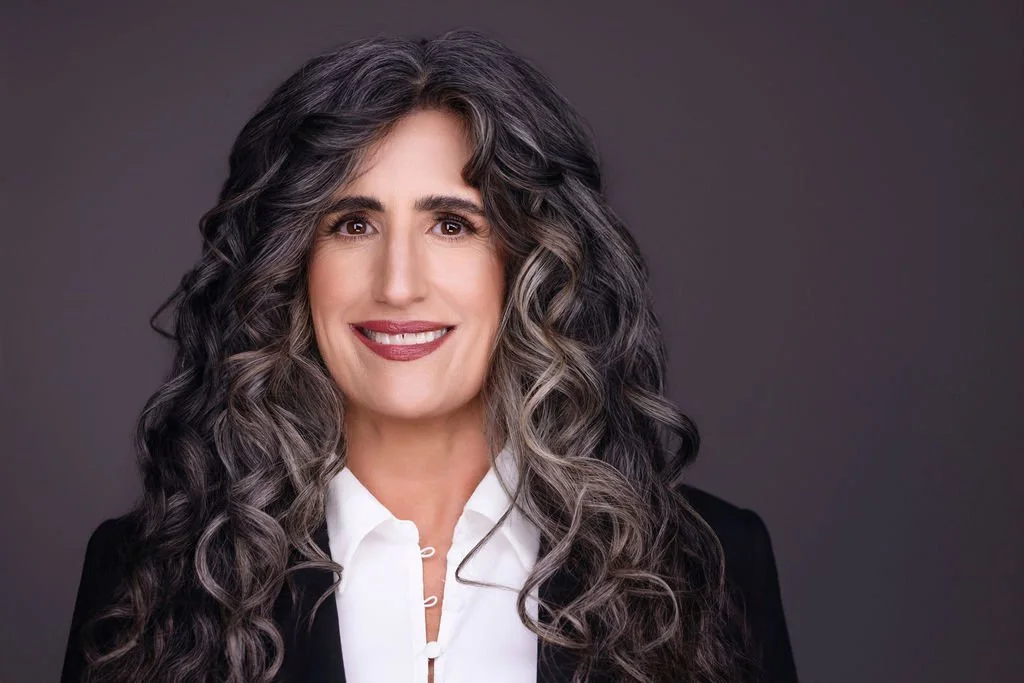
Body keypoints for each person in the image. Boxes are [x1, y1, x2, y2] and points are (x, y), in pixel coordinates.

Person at [61, 28, 798, 683]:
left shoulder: (711, 565)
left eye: (452, 224)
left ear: (530, 261)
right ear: (291, 265)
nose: (398, 284)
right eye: (352, 224)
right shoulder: (147, 576)